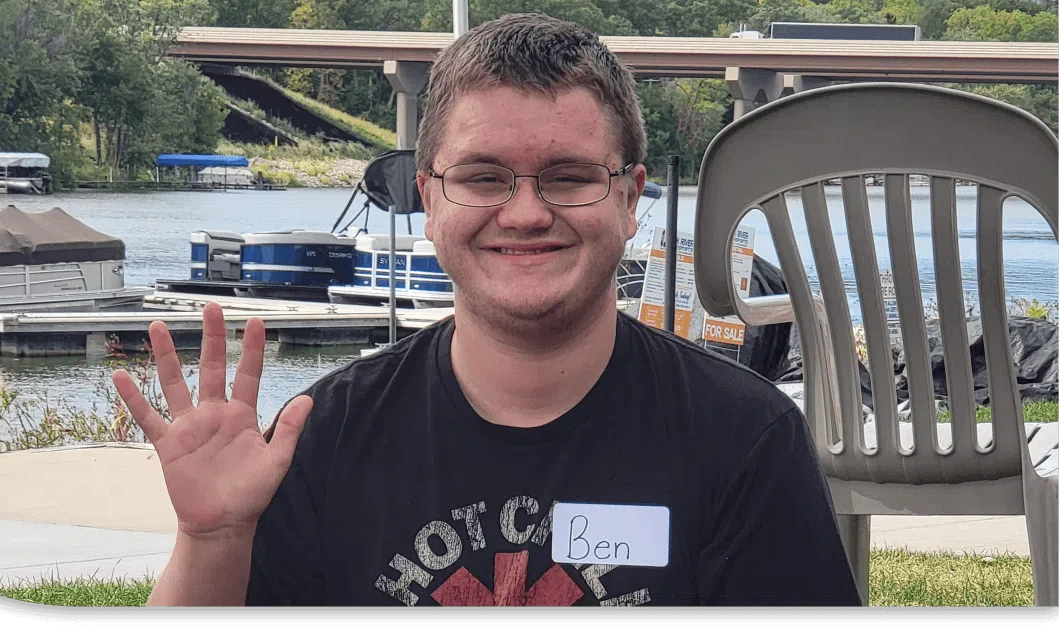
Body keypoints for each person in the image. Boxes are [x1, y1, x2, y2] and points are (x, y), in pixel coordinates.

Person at [112, 13, 861, 607]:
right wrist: (212, 541)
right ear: (430, 199)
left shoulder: (743, 438)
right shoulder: (324, 436)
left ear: (630, 200)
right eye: (483, 177)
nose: (525, 213)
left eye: (568, 177)